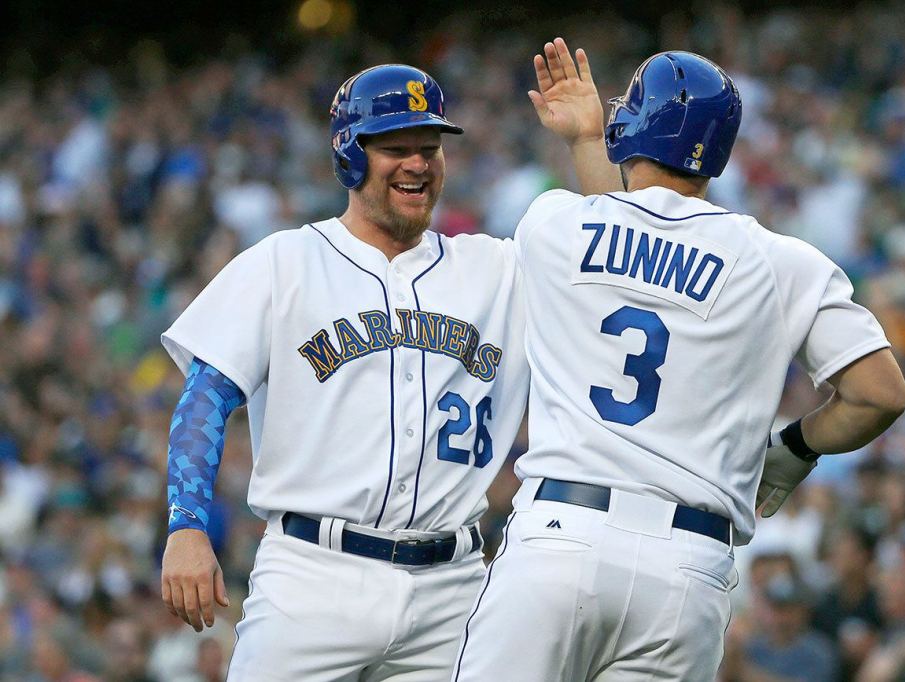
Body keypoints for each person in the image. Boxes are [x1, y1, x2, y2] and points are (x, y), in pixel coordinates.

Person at [160, 45, 616, 682]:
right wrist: (186, 525)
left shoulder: (497, 269)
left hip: (452, 587)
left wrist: (588, 143)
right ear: (350, 155)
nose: (418, 164)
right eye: (395, 147)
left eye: (429, 147)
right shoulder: (286, 262)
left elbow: (619, 261)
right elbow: (205, 397)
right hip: (313, 577)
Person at [452, 51, 905, 681]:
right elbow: (880, 394)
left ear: (632, 127)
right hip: (689, 569)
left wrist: (586, 141)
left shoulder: (553, 221)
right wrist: (795, 449)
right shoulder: (782, 262)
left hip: (559, 536)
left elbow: (621, 243)